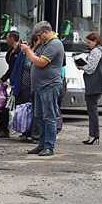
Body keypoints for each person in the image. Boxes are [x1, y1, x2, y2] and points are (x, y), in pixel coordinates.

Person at [20, 21, 65, 157]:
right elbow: (34, 57)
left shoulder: (55, 44)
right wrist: (34, 46)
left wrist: (28, 51)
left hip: (49, 85)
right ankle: (41, 144)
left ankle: (49, 146)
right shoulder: (44, 44)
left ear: (46, 32)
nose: (39, 37)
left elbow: (40, 62)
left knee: (49, 116)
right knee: (39, 116)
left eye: (40, 35)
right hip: (40, 86)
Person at [77, 32, 102, 145]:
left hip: (94, 84)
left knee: (92, 111)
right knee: (92, 110)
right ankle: (93, 135)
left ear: (95, 41)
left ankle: (94, 135)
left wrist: (80, 65)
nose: (88, 44)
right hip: (98, 83)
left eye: (89, 42)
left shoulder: (96, 51)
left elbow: (90, 68)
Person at [0, 29, 22, 138]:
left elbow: (13, 69)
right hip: (12, 81)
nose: (6, 40)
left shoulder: (20, 52)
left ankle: (4, 129)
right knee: (7, 106)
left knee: (8, 106)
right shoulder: (11, 50)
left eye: (7, 38)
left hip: (17, 82)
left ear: (12, 39)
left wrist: (3, 78)